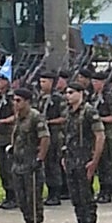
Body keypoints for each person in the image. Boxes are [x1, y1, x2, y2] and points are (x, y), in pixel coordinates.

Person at [63, 81, 105, 223]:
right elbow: (67, 136)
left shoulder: (89, 111)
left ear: (81, 93)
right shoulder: (69, 112)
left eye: (72, 92)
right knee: (76, 198)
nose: (68, 96)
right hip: (71, 159)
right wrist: (64, 154)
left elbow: (100, 136)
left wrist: (94, 160)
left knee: (86, 197)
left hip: (85, 159)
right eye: (67, 92)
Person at [11, 87, 50, 223]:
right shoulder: (19, 116)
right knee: (21, 197)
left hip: (31, 162)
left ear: (27, 101)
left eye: (18, 100)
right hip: (18, 162)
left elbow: (45, 137)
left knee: (32, 197)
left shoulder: (35, 117)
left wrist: (40, 158)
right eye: (14, 100)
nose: (15, 103)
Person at [35, 71, 66, 206]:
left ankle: (56, 193)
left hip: (55, 135)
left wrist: (49, 122)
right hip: (43, 135)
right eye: (41, 81)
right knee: (46, 164)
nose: (42, 84)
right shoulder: (40, 98)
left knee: (54, 164)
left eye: (45, 82)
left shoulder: (58, 99)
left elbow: (64, 117)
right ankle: (50, 190)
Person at [91, 70, 112, 204]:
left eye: (96, 82)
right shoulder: (94, 97)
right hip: (96, 135)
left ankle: (107, 190)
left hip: (107, 134)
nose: (94, 84)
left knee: (107, 164)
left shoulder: (109, 97)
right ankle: (101, 189)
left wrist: (99, 119)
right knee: (99, 164)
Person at [0, 73, 17, 209]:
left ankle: (14, 196)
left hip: (9, 134)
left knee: (9, 167)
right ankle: (8, 195)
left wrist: (2, 121)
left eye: (1, 80)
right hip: (0, 135)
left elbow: (16, 115)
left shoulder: (12, 97)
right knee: (2, 167)